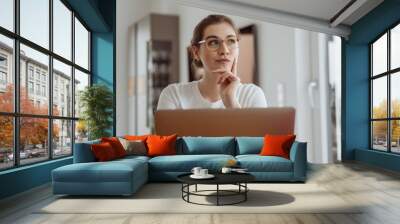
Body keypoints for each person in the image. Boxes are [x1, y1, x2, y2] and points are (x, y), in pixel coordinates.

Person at [157, 14, 267, 110]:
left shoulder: (252, 94)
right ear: (196, 52)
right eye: (213, 42)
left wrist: (231, 101)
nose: (224, 50)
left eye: (231, 41)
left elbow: (254, 135)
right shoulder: (173, 95)